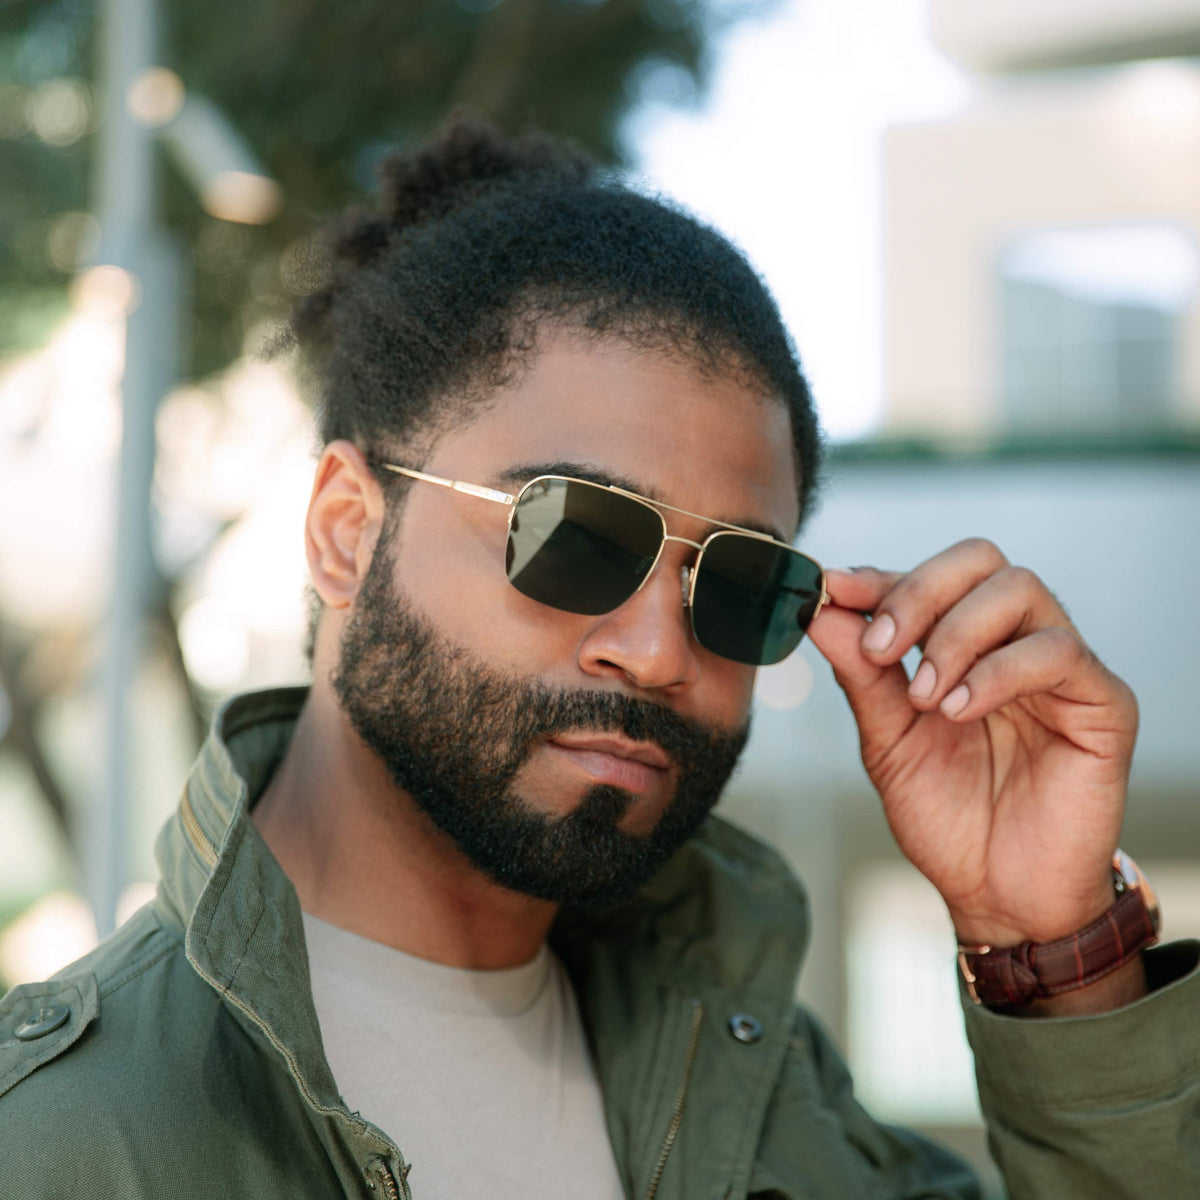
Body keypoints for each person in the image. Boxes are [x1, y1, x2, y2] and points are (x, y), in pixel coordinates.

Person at [1, 114, 1196, 1200]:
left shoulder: (768, 1095)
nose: (656, 649)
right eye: (575, 535)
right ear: (346, 533)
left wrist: (1055, 947)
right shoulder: (63, 1143)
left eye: (736, 585)